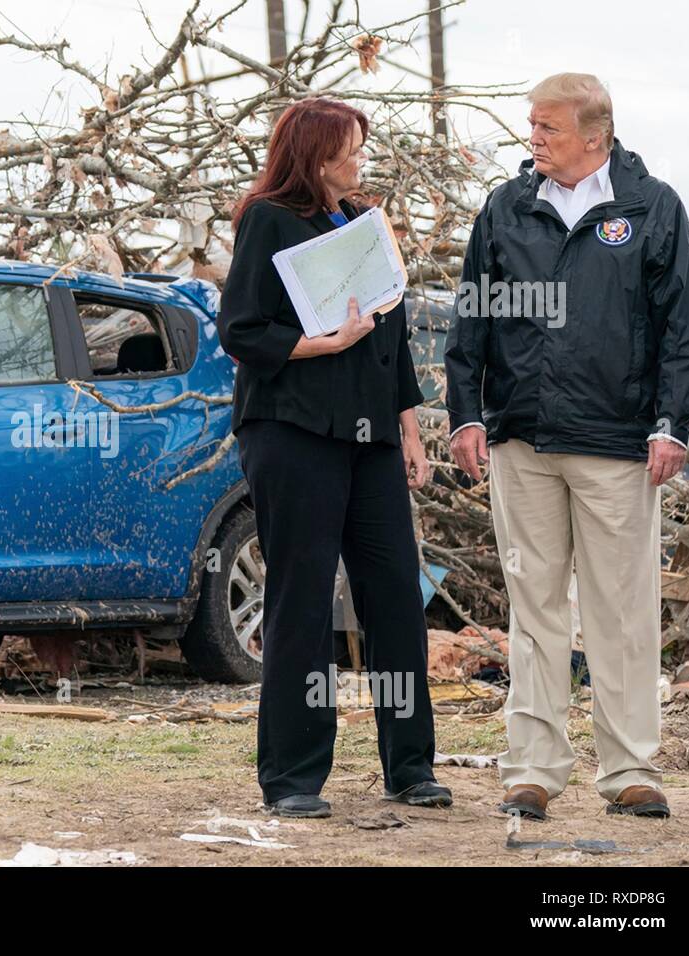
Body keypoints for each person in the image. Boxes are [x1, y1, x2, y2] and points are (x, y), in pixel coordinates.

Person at [445, 73, 689, 820]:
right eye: (531, 126)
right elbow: (472, 316)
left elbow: (684, 330)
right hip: (522, 439)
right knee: (533, 609)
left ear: (595, 137)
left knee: (621, 611)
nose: (534, 140)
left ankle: (631, 771)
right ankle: (531, 769)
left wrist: (671, 424)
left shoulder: (650, 208)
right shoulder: (505, 206)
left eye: (548, 129)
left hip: (619, 443)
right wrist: (467, 413)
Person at [217, 97, 449, 818]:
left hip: (371, 434)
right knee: (304, 599)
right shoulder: (268, 219)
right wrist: (323, 344)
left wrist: (409, 431)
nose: (359, 161)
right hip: (292, 432)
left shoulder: (364, 225)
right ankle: (291, 777)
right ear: (314, 156)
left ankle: (410, 766)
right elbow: (241, 330)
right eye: (349, 150)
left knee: (394, 599)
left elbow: (393, 339)